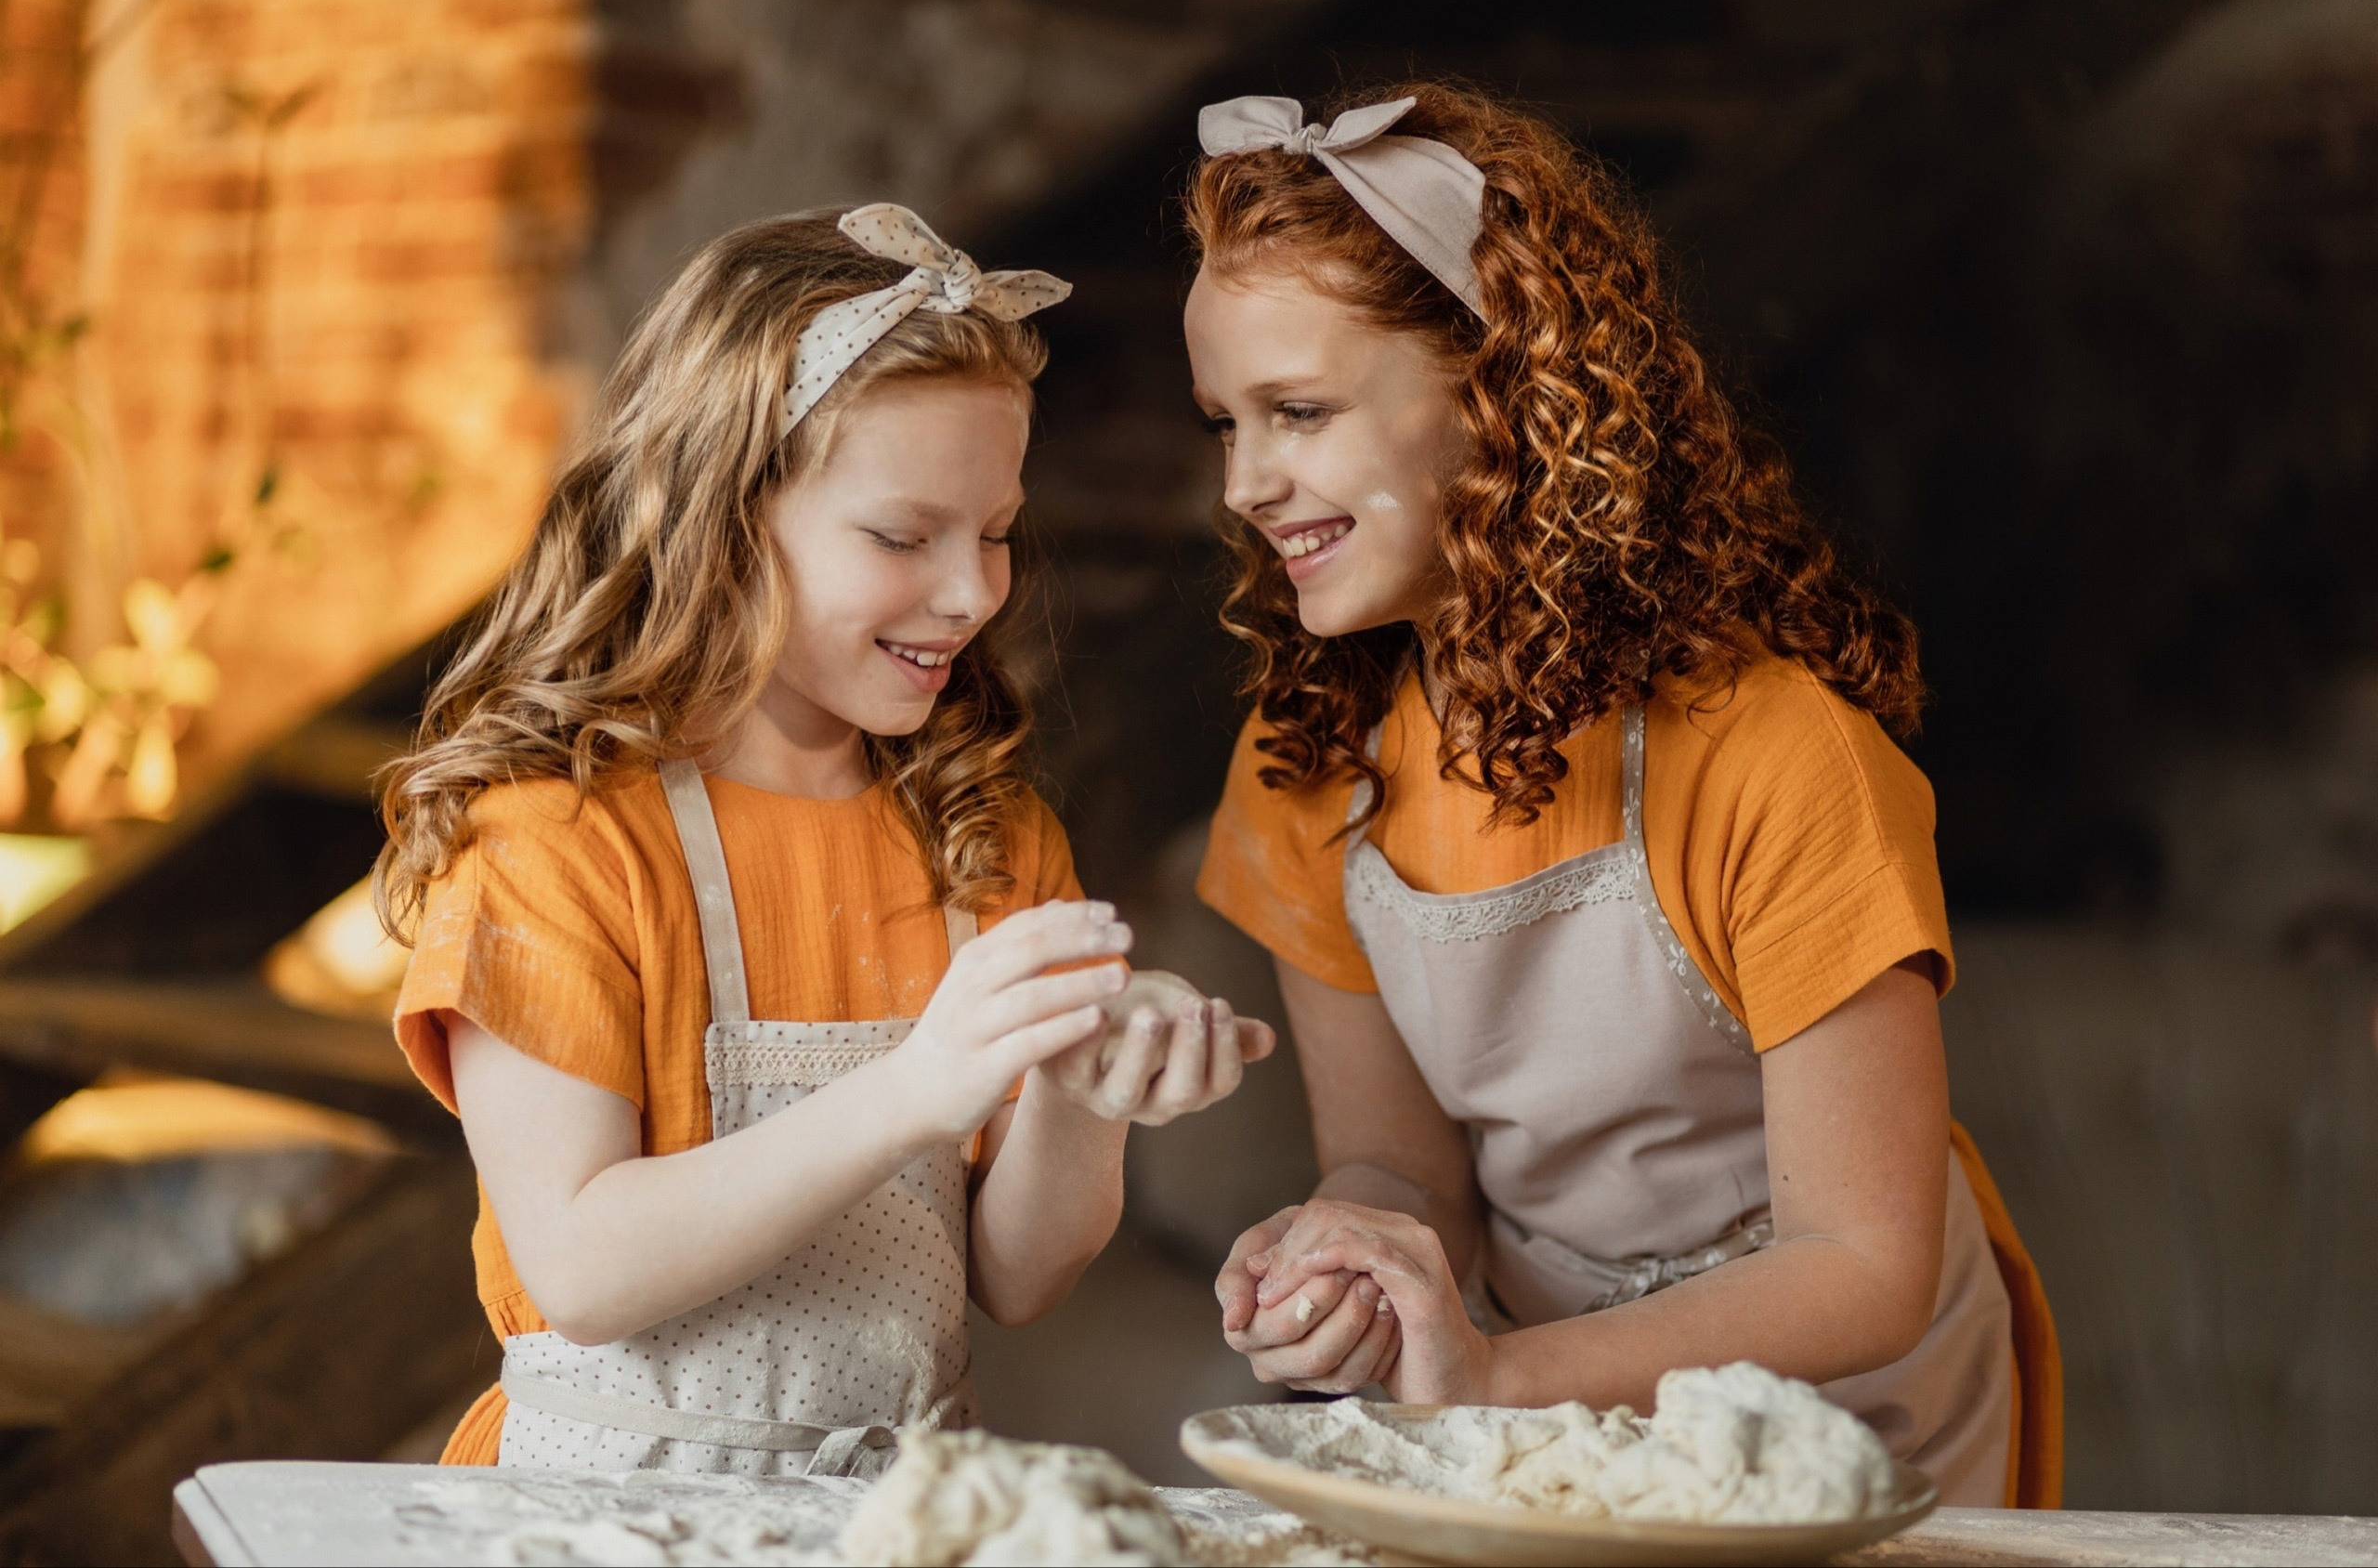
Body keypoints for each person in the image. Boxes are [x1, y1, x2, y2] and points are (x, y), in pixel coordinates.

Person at [1183, 85, 2060, 1508]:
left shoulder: (1777, 756)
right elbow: (1406, 1169)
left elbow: (1863, 1265)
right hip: (1546, 1415)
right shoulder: (1304, 768)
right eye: (1224, 421)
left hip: (1852, 1431)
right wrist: (1356, 1254)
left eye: (1298, 411)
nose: (1244, 483)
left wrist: (1492, 1378)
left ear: (1501, 395)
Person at [376, 205, 1272, 1473]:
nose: (972, 591)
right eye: (904, 536)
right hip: (602, 1523)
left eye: (999, 532)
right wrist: (920, 1085)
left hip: (895, 1514)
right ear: (726, 516)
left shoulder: (986, 834)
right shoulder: (554, 843)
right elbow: (582, 1265)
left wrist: (1078, 1085)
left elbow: (1017, 1279)